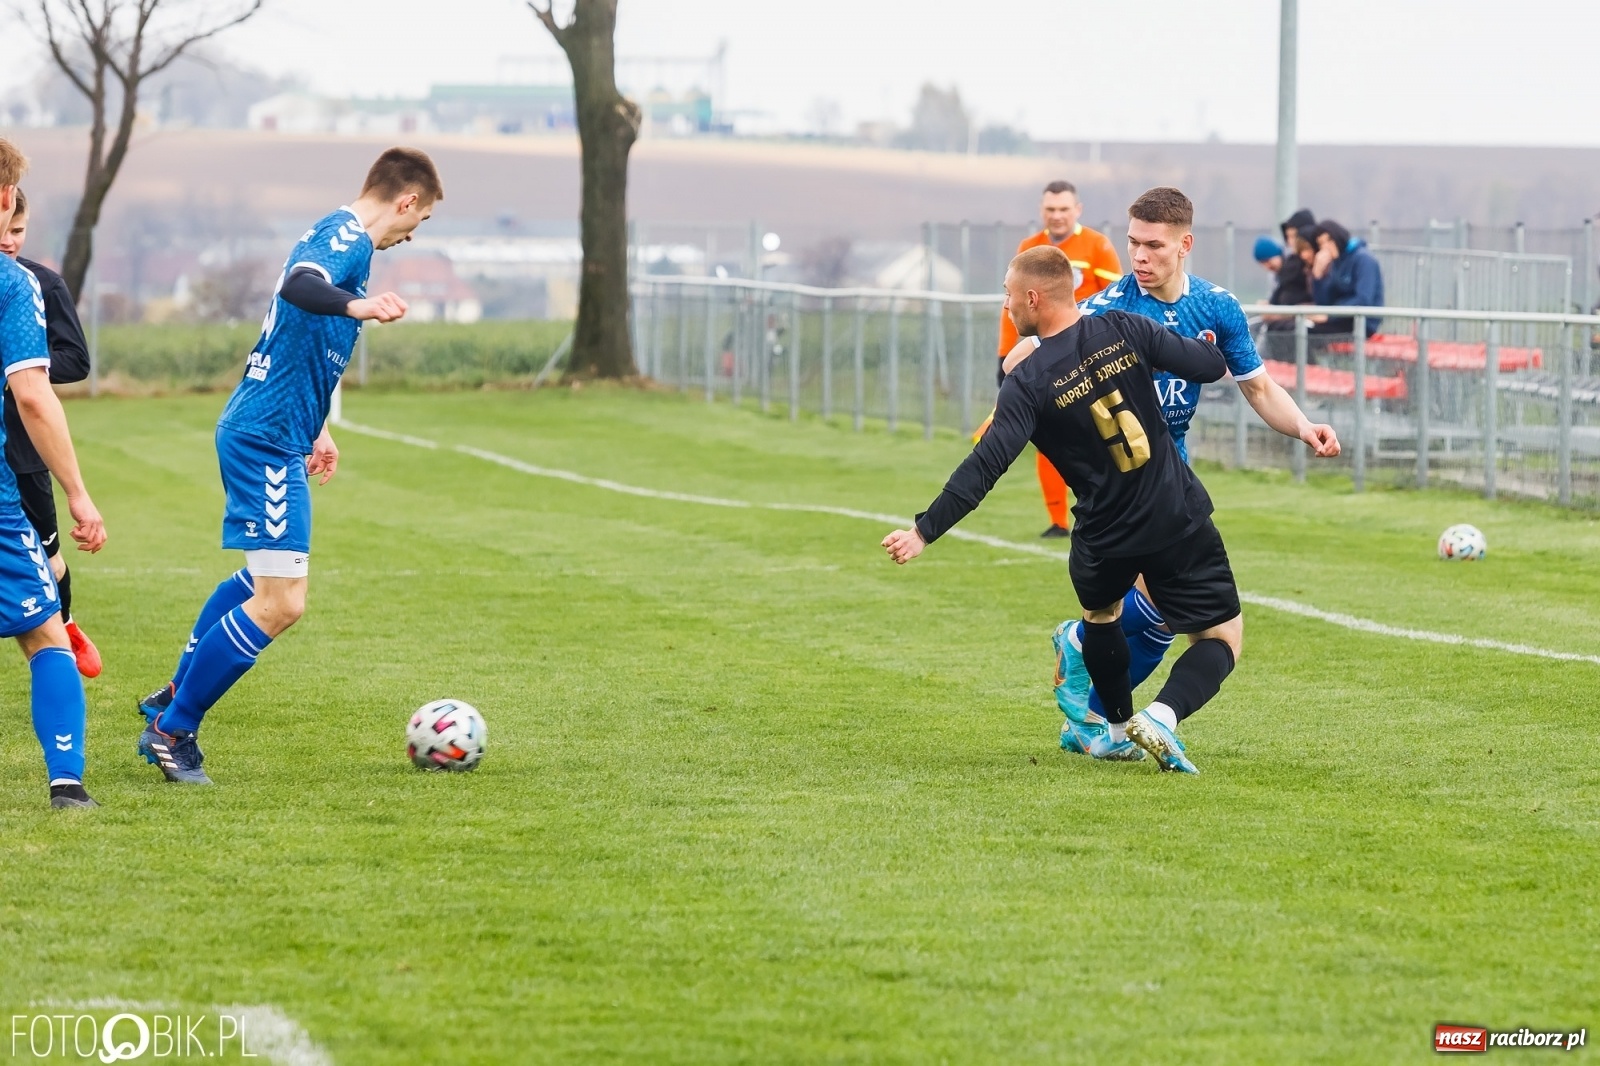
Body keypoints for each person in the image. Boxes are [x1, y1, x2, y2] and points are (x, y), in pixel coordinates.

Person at [135, 146, 440, 784]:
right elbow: (301, 288)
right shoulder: (346, 236)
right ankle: (173, 729)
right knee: (282, 602)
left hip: (278, 432)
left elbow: (294, 340)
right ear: (406, 201)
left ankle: (171, 695)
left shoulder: (343, 240)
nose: (412, 234)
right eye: (420, 220)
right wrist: (359, 306)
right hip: (263, 438)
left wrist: (318, 428)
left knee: (259, 583)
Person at [884, 245, 1243, 773]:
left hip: (1102, 534)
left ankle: (1115, 730)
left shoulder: (1026, 383)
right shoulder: (1123, 327)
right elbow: (1209, 366)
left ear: (1033, 298)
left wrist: (924, 530)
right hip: (1173, 512)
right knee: (1221, 636)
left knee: (1101, 616)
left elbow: (985, 466)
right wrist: (1209, 344)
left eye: (1008, 296)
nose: (1006, 306)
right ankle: (1163, 716)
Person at [1057, 187, 1339, 758]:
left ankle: (1095, 710)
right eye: (1133, 242)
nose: (1140, 256)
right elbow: (1042, 356)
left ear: (1184, 245)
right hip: (1119, 482)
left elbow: (1257, 385)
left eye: (1154, 245)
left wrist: (1304, 426)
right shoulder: (1107, 309)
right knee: (1176, 613)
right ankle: (1093, 669)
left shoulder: (1215, 307)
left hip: (1173, 476)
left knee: (1161, 615)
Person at [0, 138, 108, 808]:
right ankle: (67, 785)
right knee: (45, 634)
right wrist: (79, 493)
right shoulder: (12, 284)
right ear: (7, 197)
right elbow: (35, 395)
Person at [0, 189, 100, 677]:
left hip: (23, 448)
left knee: (50, 555)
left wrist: (20, 366)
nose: (11, 240)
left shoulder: (38, 285)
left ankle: (67, 626)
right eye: (7, 228)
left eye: (19, 231)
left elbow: (77, 360)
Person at [996, 180, 1122, 539]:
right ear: (1042, 211)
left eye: (1064, 209)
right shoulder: (1029, 247)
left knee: (1100, 433)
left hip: (1089, 357)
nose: (1057, 216)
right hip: (1042, 360)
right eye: (1051, 209)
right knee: (1048, 436)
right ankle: (1057, 520)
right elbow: (1012, 308)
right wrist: (1005, 355)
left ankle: (1108, 510)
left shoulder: (1097, 245)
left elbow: (1116, 298)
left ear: (1077, 210)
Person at [1308, 220, 1383, 337]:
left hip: (1361, 323)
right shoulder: (1336, 263)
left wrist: (1331, 315)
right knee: (1297, 328)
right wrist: (1317, 275)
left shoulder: (1363, 259)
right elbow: (1324, 302)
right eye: (1321, 244)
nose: (1325, 247)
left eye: (1328, 240)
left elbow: (1363, 299)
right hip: (1340, 319)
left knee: (1310, 334)